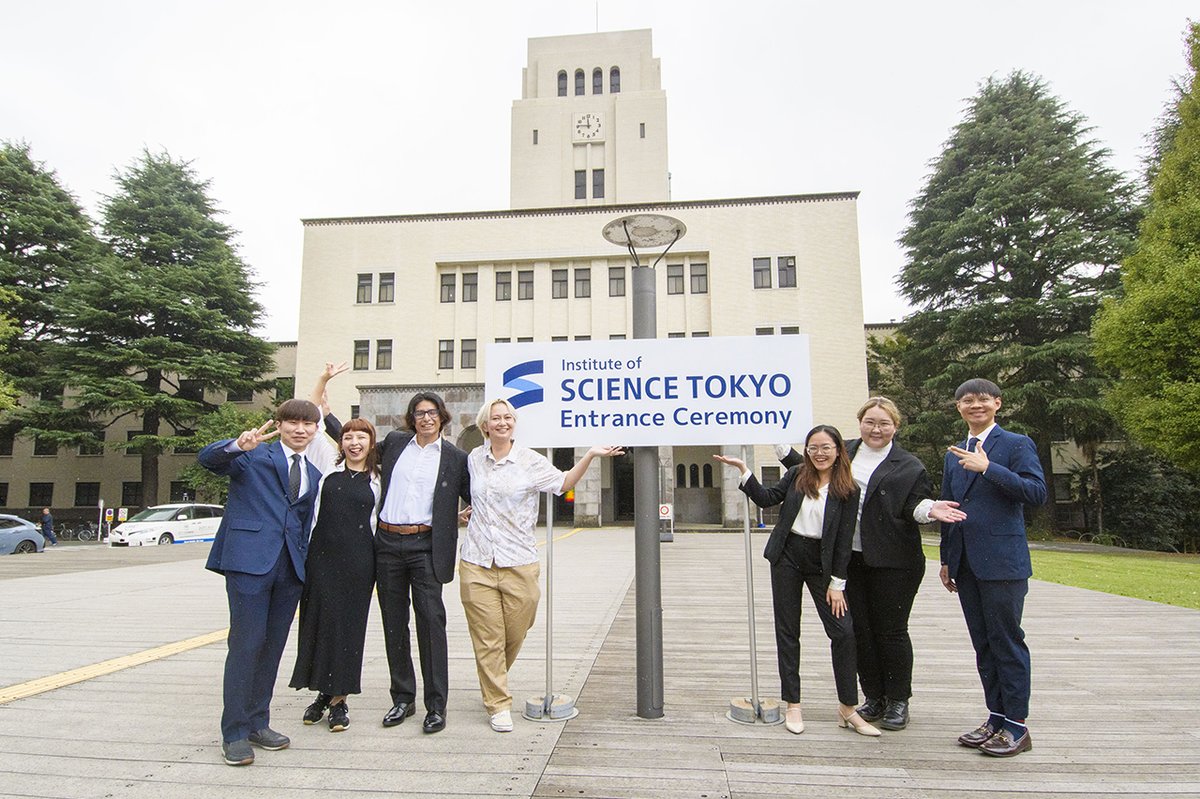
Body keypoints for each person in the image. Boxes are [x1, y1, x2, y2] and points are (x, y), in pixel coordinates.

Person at [779, 398, 965, 730]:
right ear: (860, 422)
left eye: (883, 423)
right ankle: (873, 696)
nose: (876, 429)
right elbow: (808, 468)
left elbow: (914, 504)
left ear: (895, 426)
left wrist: (929, 510)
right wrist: (776, 442)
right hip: (848, 561)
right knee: (859, 631)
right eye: (870, 422)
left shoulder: (909, 466)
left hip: (894, 561)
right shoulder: (845, 450)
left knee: (890, 631)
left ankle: (897, 700)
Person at [461, 398, 623, 733]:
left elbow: (563, 483)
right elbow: (468, 494)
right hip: (477, 561)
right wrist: (463, 511)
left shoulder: (529, 461)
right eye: (496, 418)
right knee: (488, 636)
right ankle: (498, 702)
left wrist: (590, 455)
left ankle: (492, 679)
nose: (503, 423)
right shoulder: (475, 459)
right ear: (485, 426)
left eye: (508, 418)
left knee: (516, 630)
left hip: (519, 561)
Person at [715, 425, 880, 737]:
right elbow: (766, 499)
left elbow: (844, 540)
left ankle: (847, 707)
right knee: (788, 631)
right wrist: (744, 471)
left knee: (843, 633)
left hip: (824, 563)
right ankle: (793, 702)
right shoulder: (796, 475)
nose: (819, 453)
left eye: (826, 447)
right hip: (788, 556)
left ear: (838, 450)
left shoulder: (848, 489)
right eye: (813, 447)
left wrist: (838, 582)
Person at [198, 399, 324, 767]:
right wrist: (237, 445)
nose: (300, 430)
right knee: (246, 645)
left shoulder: (312, 473)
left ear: (315, 430)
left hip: (288, 571)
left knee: (271, 648)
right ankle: (234, 732)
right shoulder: (251, 456)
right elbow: (208, 460)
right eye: (293, 423)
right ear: (280, 424)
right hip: (249, 565)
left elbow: (299, 521)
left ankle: (258, 722)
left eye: (307, 424)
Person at [939, 378, 1046, 758]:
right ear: (958, 408)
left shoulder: (1015, 444)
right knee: (983, 645)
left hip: (1003, 563)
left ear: (997, 403)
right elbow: (948, 506)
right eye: (967, 401)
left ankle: (1017, 726)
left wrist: (989, 469)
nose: (975, 406)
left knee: (1006, 641)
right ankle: (996, 718)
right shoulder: (954, 452)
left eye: (983, 400)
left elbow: (1036, 493)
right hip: (966, 563)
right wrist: (947, 559)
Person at [371, 392, 471, 735]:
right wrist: (324, 415)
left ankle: (436, 705)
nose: (425, 418)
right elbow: (356, 446)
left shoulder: (457, 458)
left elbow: (478, 495)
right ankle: (402, 697)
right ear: (411, 418)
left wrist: (465, 513)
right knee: (393, 623)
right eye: (419, 413)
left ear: (442, 417)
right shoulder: (396, 443)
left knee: (431, 623)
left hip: (426, 546)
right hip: (386, 543)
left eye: (431, 413)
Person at [288, 411, 380, 732]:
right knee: (319, 625)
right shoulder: (328, 469)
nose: (355, 443)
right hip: (321, 560)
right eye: (348, 437)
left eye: (361, 437)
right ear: (340, 442)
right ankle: (322, 694)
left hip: (359, 564)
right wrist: (324, 389)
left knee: (348, 630)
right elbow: (312, 415)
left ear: (371, 443)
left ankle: (339, 701)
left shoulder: (378, 480)